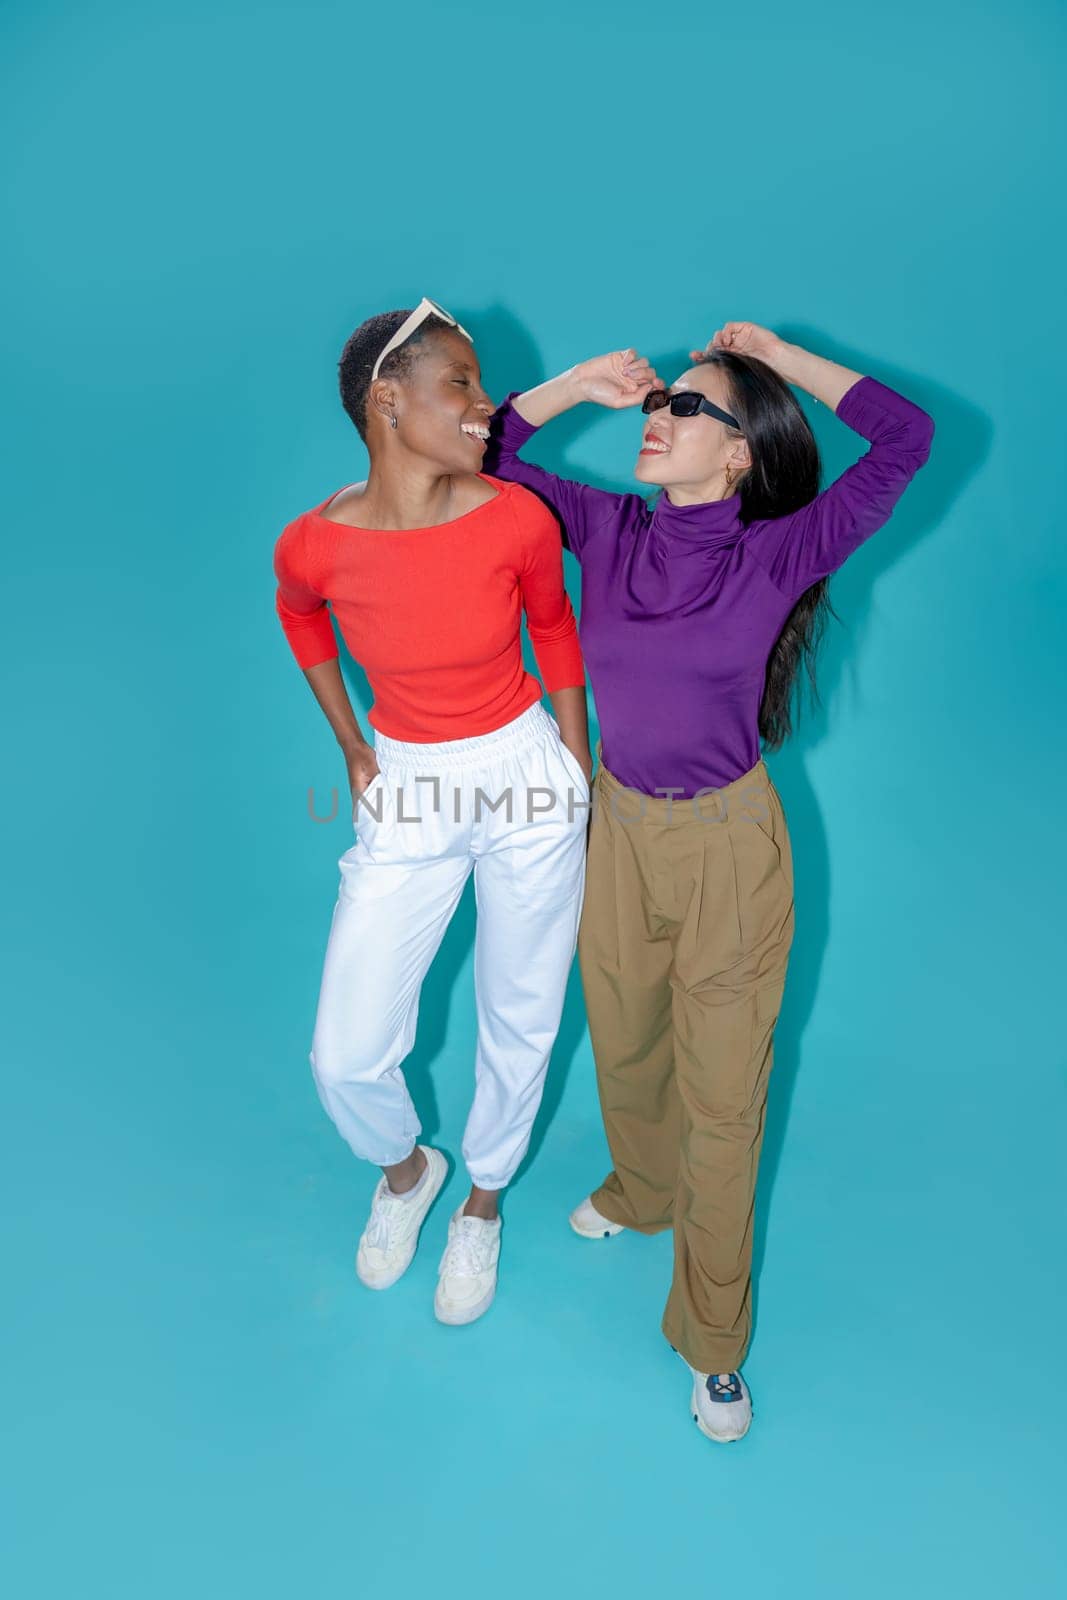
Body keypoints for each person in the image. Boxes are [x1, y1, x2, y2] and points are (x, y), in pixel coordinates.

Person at [482, 319, 935, 1437]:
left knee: (722, 1100)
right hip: (619, 829)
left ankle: (714, 1341)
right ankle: (640, 1189)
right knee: (623, 1033)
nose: (656, 417)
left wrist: (782, 363)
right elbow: (482, 456)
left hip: (728, 847)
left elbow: (905, 437)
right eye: (654, 403)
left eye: (686, 407)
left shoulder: (777, 551)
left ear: (737, 453)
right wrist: (574, 388)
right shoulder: (608, 525)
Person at [273, 298, 592, 1327]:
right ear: (386, 400)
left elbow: (554, 627)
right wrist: (352, 744)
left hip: (522, 771)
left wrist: (572, 772)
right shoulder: (314, 542)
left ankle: (483, 1201)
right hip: (408, 779)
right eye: (459, 381)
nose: (483, 403)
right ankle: (408, 1172)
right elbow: (298, 613)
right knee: (345, 1050)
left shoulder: (516, 517)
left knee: (521, 1009)